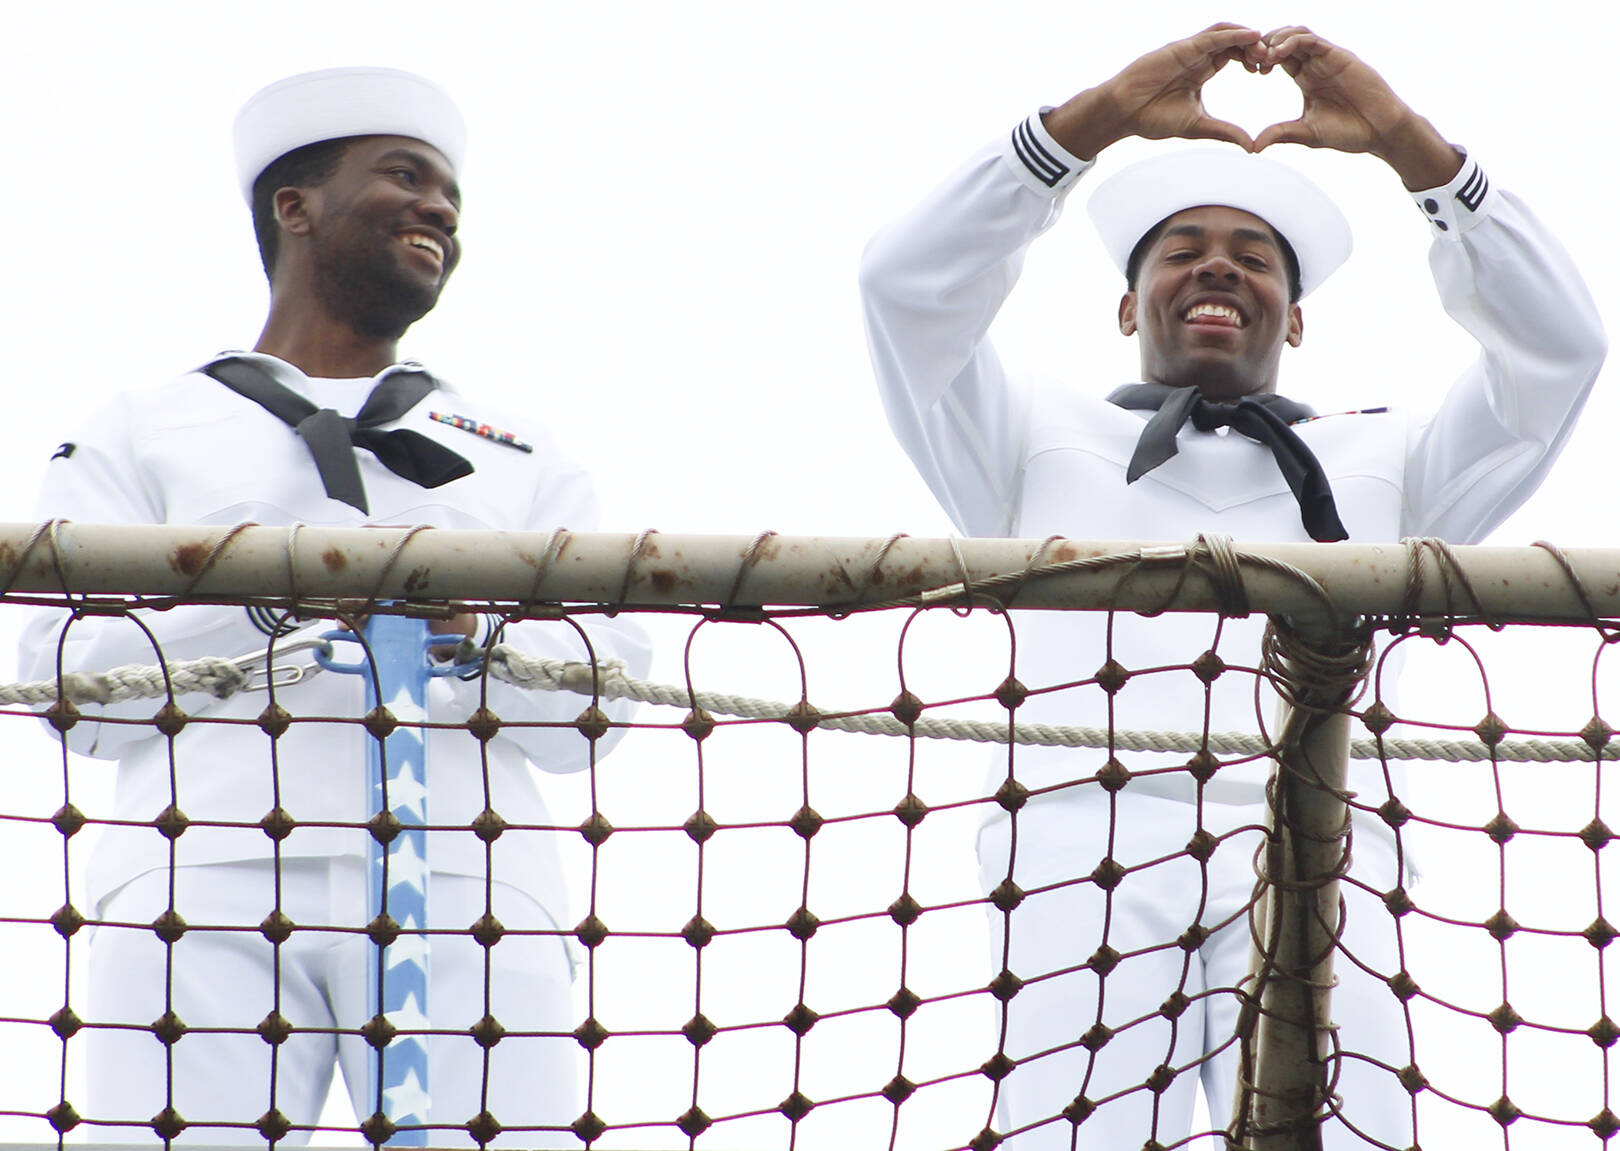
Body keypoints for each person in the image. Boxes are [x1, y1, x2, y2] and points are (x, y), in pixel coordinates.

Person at [859, 24, 1604, 1150]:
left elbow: (1561, 352)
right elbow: (904, 290)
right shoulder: (1023, 434)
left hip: (1333, 851)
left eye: (1256, 256)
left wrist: (1415, 149)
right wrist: (1090, 122)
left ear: (1295, 319)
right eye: (1182, 250)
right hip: (1079, 849)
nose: (1219, 266)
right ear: (1127, 305)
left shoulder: (1396, 454)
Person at [18, 67, 651, 1146]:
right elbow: (70, 689)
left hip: (472, 879)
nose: (440, 209)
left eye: (450, 192)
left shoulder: (523, 451)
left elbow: (597, 711)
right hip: (199, 875)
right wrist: (270, 598)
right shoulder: (143, 425)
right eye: (404, 177)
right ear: (294, 206)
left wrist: (474, 636)